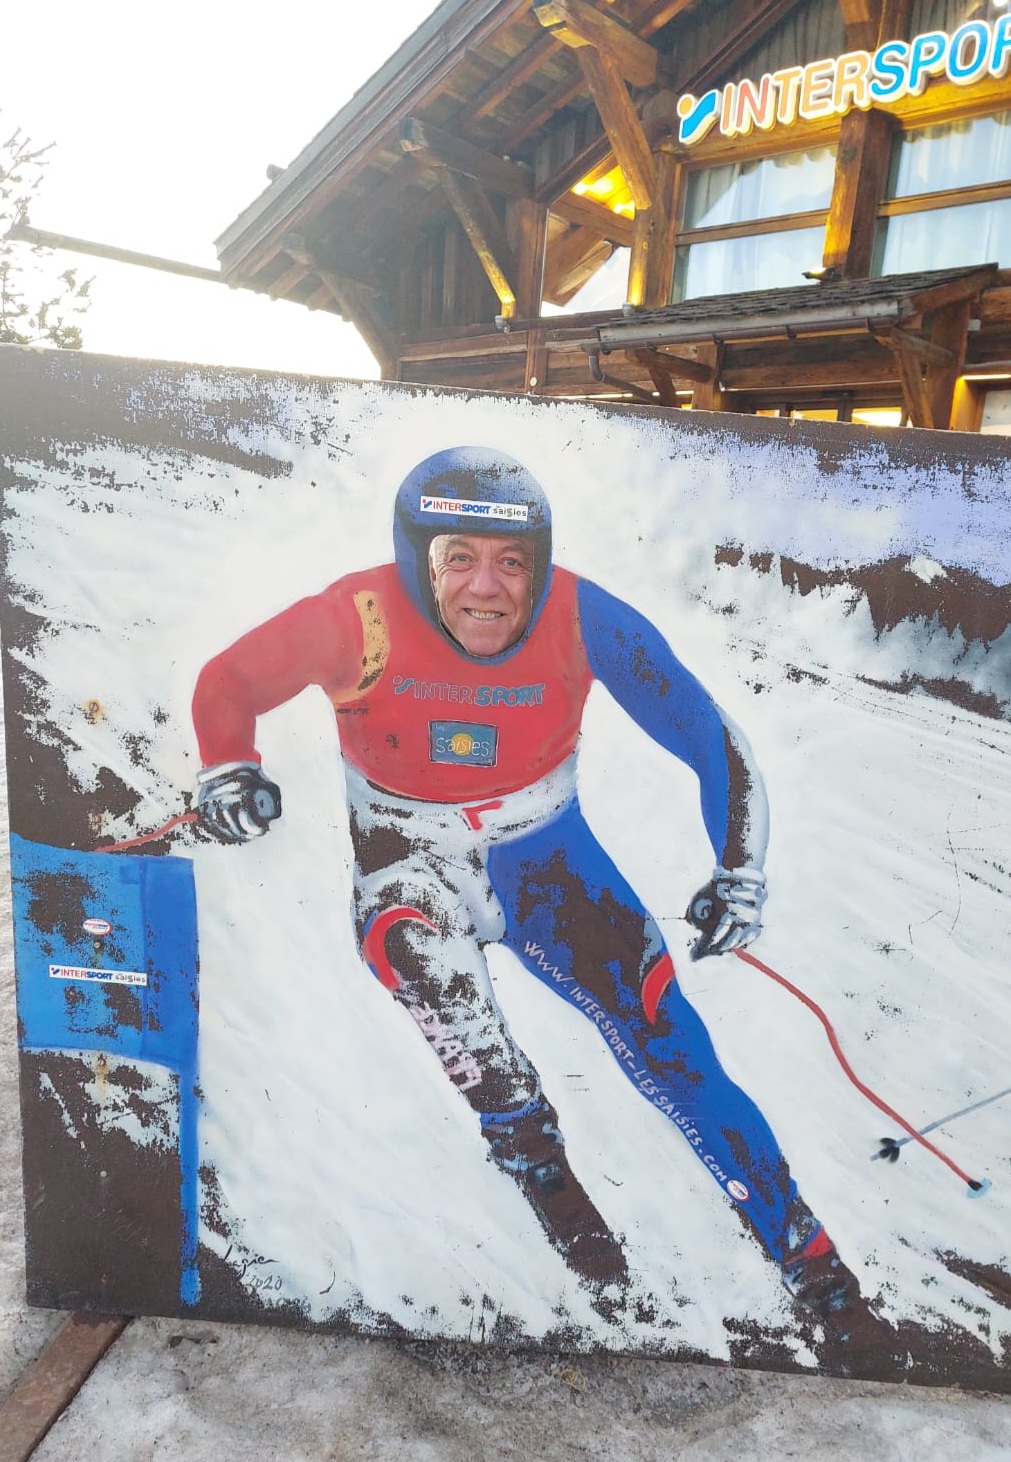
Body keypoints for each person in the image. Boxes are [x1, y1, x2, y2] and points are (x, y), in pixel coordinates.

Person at [191, 446, 860, 1324]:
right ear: (414, 559)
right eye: (457, 558)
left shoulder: (578, 612)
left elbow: (705, 730)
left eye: (512, 562)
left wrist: (738, 867)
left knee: (668, 1041)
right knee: (433, 977)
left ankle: (802, 1250)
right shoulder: (359, 615)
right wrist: (229, 767)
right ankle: (543, 1173)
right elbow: (230, 680)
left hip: (545, 859)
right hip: (407, 859)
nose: (487, 588)